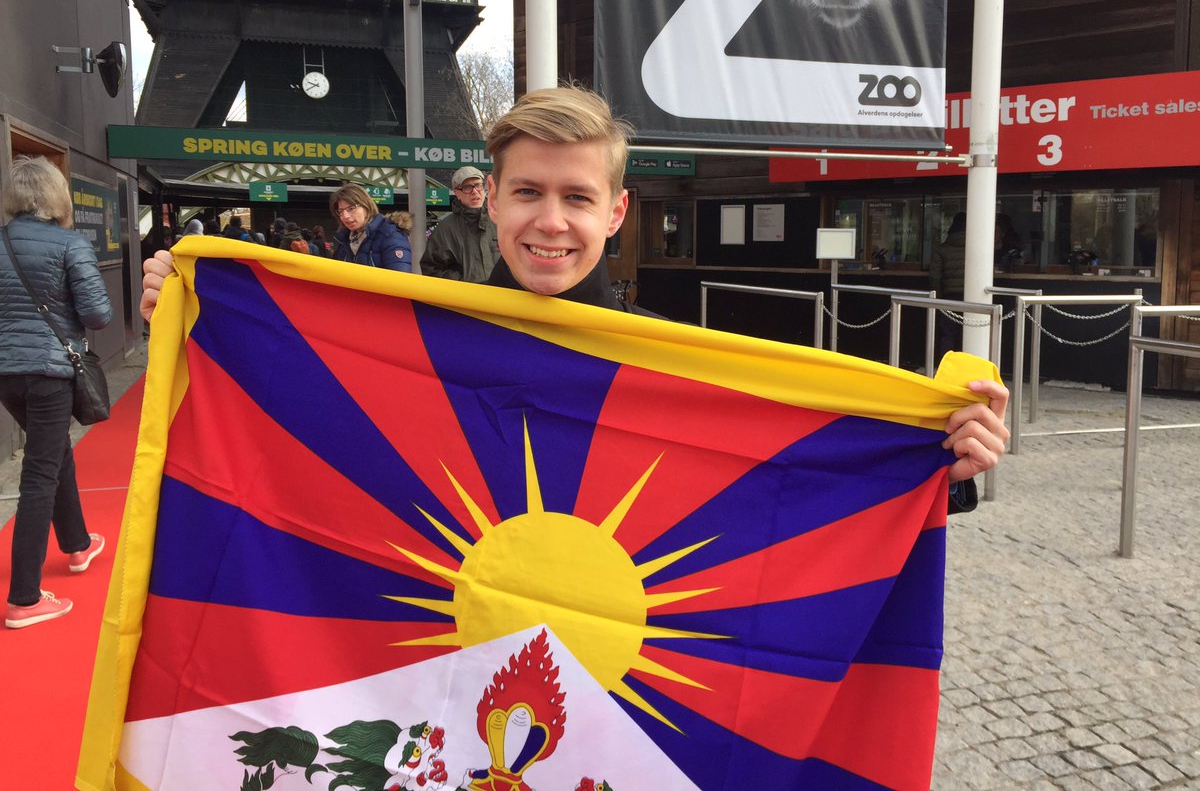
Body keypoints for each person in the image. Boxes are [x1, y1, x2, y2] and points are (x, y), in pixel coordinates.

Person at [142, 86, 1007, 486]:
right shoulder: (415, 342)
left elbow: (793, 473)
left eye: (577, 197)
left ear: (616, 211)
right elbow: (295, 422)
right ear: (492, 197)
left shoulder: (673, 358)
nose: (550, 220)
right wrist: (196, 320)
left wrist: (943, 454)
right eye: (528, 192)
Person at [1, 156, 112, 629]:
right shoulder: (69, 243)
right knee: (40, 475)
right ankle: (24, 599)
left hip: (7, 372)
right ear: (56, 197)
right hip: (50, 369)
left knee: (54, 453)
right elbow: (98, 314)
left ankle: (78, 544)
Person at [420, 166, 499, 282]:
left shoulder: (500, 221)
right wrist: (463, 284)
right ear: (457, 193)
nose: (475, 191)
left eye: (478, 185)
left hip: (504, 298)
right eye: (467, 187)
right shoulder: (445, 229)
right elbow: (431, 269)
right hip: (466, 298)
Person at [328, 183, 412, 271]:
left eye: (351, 209)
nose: (345, 216)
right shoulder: (343, 240)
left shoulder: (390, 235)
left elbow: (398, 279)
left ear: (366, 205)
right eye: (340, 211)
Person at [930, 211, 967, 360]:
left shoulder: (942, 249)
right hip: (972, 298)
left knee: (948, 334)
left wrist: (937, 298)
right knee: (969, 333)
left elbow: (934, 276)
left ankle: (945, 366)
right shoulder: (978, 247)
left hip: (949, 297)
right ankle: (965, 367)